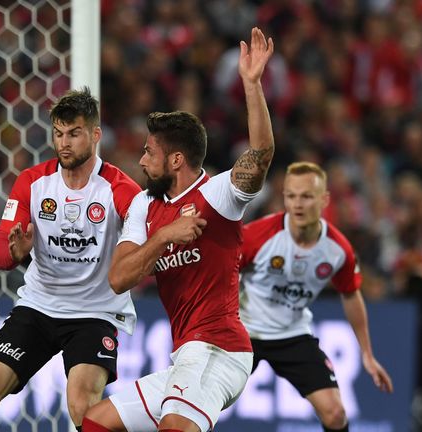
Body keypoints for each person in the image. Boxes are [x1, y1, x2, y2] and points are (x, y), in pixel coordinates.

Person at [82, 27, 275, 432]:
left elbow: (260, 156)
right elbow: (119, 278)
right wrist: (166, 236)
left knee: (175, 426)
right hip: (185, 354)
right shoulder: (144, 206)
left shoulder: (219, 194)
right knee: (95, 423)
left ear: (176, 160)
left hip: (219, 348)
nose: (141, 159)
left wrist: (251, 85)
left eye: (150, 152)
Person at [0, 87, 142, 432]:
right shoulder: (32, 182)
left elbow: (146, 249)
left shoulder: (121, 189)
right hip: (38, 307)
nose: (64, 143)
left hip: (94, 314)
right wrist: (16, 253)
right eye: (58, 134)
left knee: (81, 404)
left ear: (95, 135)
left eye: (74, 133)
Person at [237, 161, 394, 432]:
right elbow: (220, 274)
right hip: (244, 334)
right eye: (291, 195)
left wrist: (367, 354)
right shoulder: (257, 236)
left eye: (307, 196)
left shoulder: (337, 250)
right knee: (208, 405)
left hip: (292, 335)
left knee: (335, 415)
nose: (298, 204)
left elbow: (350, 295)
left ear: (324, 200)